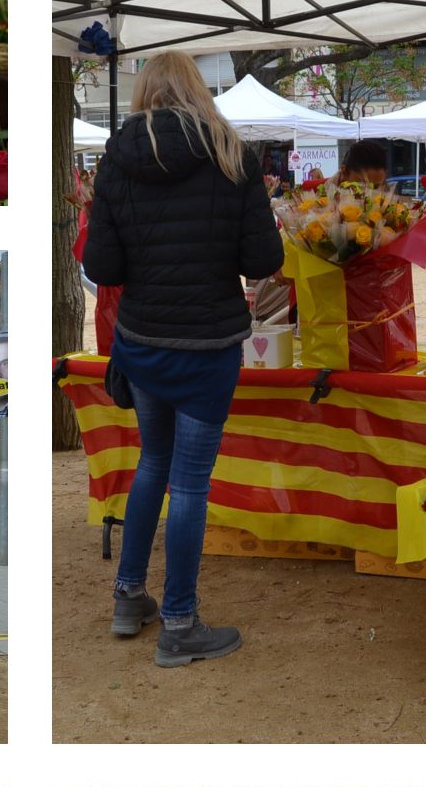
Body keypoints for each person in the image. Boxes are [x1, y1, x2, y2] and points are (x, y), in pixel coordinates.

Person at [85, 51, 283, 664]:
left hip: (143, 343)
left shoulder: (116, 158)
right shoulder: (231, 154)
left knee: (152, 464)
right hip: (207, 346)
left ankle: (128, 597)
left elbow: (103, 267)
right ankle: (178, 622)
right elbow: (264, 261)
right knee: (189, 484)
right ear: (200, 87)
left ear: (143, 90)